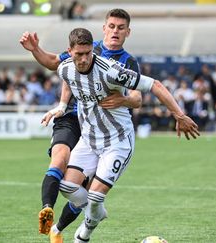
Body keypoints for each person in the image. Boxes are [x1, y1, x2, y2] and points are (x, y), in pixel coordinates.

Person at [41, 27, 199, 243]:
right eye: (79, 54)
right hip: (89, 139)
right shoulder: (65, 69)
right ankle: (95, 212)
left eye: (88, 53)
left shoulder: (111, 70)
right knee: (67, 187)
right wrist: (60, 106)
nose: (85, 59)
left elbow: (154, 85)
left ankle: (82, 236)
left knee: (95, 196)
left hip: (118, 141)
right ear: (70, 52)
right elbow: (68, 80)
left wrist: (179, 115)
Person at [19, 8, 143, 241]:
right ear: (104, 27)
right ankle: (52, 208)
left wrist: (124, 99)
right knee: (60, 159)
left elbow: (138, 97)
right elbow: (57, 65)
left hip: (102, 126)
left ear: (128, 32)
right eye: (112, 26)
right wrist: (36, 50)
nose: (115, 31)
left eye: (121, 27)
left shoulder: (127, 62)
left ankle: (61, 229)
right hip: (72, 117)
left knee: (85, 188)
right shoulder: (86, 47)